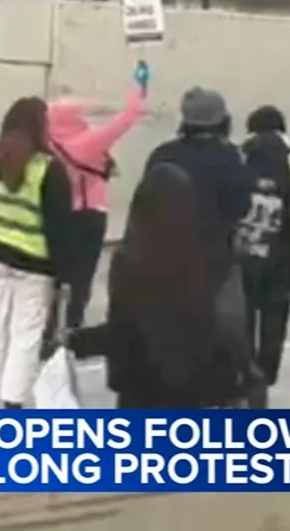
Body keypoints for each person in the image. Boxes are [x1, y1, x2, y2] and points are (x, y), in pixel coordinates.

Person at [70, 162, 258, 408]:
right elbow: (225, 326)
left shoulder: (129, 262)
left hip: (139, 387)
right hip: (193, 386)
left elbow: (124, 330)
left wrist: (78, 342)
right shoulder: (206, 257)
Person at [0, 97, 74, 409]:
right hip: (34, 263)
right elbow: (59, 227)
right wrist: (64, 274)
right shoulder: (47, 169)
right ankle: (13, 404)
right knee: (25, 337)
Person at [144, 88, 256, 363]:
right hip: (214, 259)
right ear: (222, 121)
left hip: (163, 259)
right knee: (230, 331)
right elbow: (241, 206)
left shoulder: (162, 154)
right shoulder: (228, 157)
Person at [45, 87, 146, 333]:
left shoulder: (46, 142)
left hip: (56, 214)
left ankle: (48, 328)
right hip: (88, 213)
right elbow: (127, 118)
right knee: (82, 275)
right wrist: (138, 89)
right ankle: (72, 326)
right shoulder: (87, 142)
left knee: (56, 274)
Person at [237, 105, 290, 389]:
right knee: (276, 312)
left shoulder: (241, 154)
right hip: (280, 248)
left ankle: (246, 366)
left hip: (246, 246)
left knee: (245, 311)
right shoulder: (289, 157)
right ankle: (268, 370)